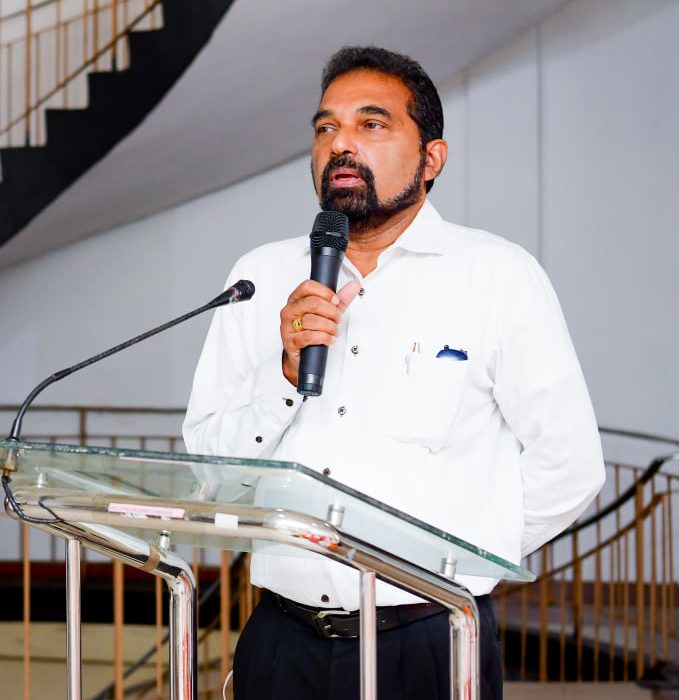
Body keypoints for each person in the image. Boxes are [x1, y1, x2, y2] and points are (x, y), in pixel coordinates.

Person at [182, 46, 605, 700]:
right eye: (326, 127)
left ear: (432, 158)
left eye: (371, 124)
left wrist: (455, 567)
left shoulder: (495, 276)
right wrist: (284, 373)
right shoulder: (259, 277)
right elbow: (211, 473)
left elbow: (570, 466)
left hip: (430, 642)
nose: (340, 143)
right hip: (281, 641)